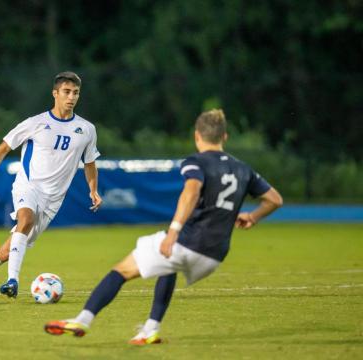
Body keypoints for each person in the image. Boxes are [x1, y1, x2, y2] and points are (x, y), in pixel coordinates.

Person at [44, 109, 283, 345]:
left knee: (122, 270)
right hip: (215, 255)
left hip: (189, 242)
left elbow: (191, 191)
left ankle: (82, 320)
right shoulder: (243, 169)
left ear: (197, 136)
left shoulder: (196, 162)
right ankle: (150, 330)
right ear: (225, 137)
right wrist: (253, 216)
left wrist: (173, 231)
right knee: (167, 267)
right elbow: (275, 200)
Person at [0, 71, 102, 300]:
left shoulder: (86, 129)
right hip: (28, 186)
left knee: (6, 251)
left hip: (54, 200)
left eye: (76, 93)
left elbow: (89, 162)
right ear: (55, 93)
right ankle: (13, 281)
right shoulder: (36, 123)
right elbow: (2, 148)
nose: (71, 97)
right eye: (67, 92)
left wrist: (93, 190)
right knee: (26, 219)